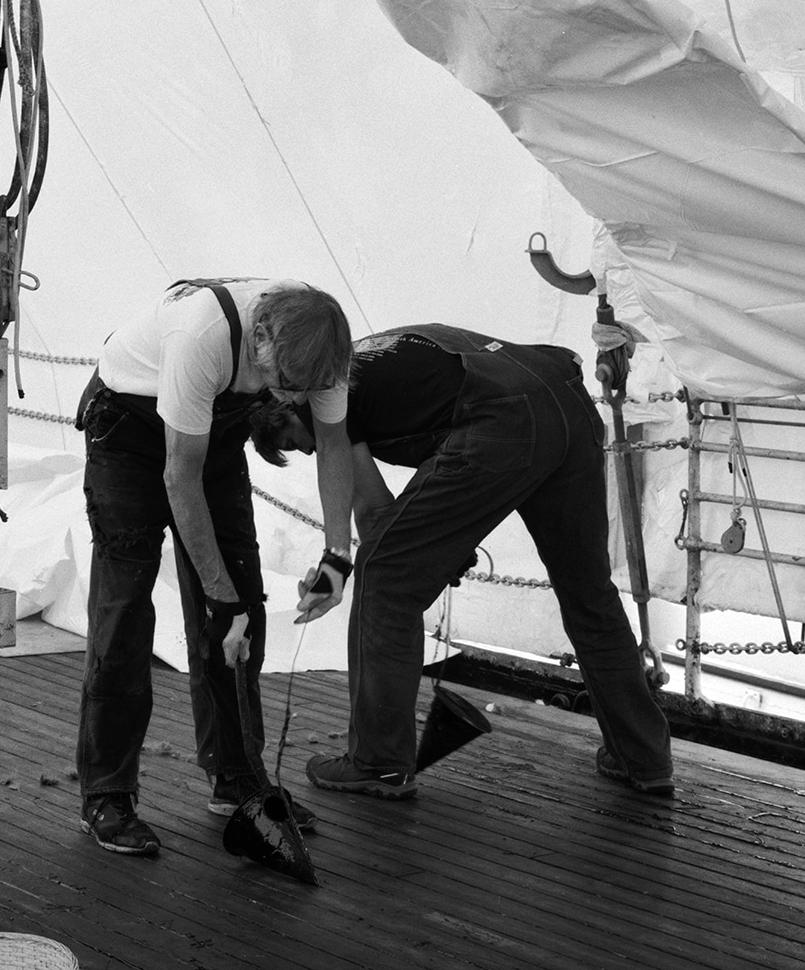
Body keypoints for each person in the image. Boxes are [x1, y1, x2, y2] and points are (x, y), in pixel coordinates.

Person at [255, 324, 673, 799]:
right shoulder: (370, 353)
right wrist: (436, 550)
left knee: (383, 581)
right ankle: (642, 755)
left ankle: (379, 762)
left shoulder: (324, 402)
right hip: (563, 397)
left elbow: (374, 515)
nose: (308, 451)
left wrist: (339, 574)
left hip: (497, 421)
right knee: (589, 591)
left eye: (292, 442)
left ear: (288, 405)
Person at [73, 278, 360, 856]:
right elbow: (180, 477)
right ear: (259, 337)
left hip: (212, 437)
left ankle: (238, 778)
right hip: (128, 433)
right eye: (282, 386)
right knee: (124, 611)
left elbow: (332, 446)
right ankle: (107, 792)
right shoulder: (202, 333)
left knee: (243, 613)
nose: (291, 400)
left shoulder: (318, 349)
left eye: (302, 392)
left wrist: (336, 555)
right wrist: (217, 597)